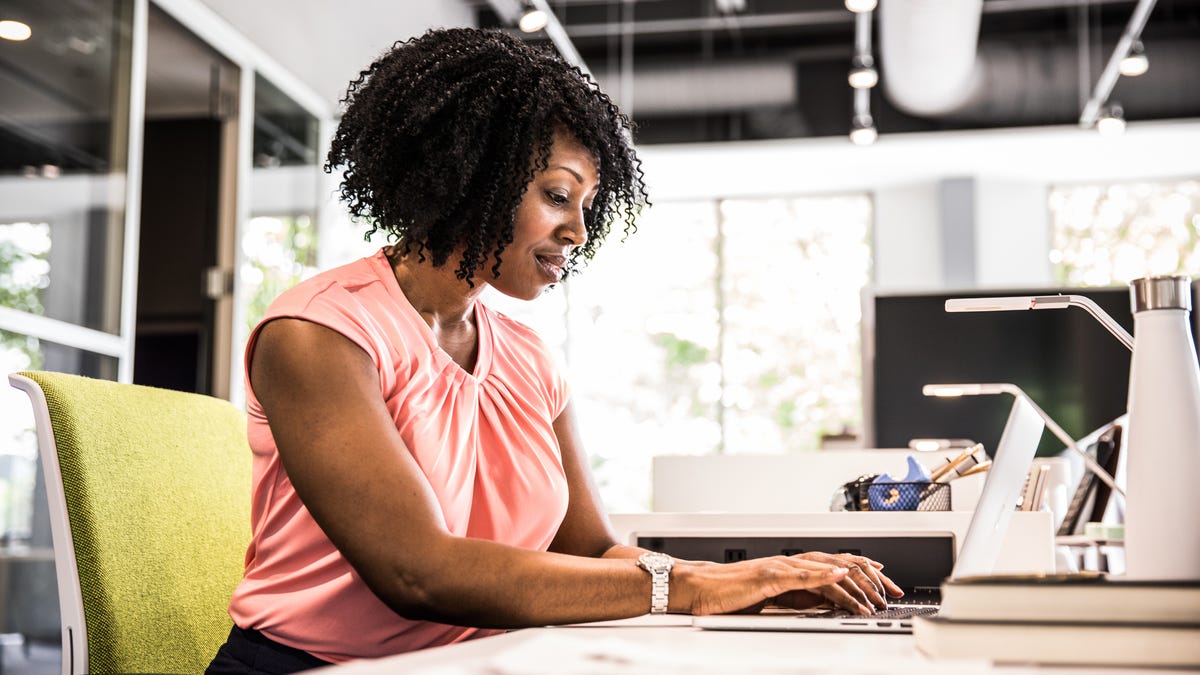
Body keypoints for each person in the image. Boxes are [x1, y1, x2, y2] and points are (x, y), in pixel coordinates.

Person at [206, 26, 902, 673]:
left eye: (588, 205)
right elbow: (420, 572)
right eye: (557, 195)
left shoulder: (526, 355)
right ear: (469, 175)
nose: (577, 230)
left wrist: (745, 583)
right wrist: (693, 584)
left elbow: (592, 548)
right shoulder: (321, 334)